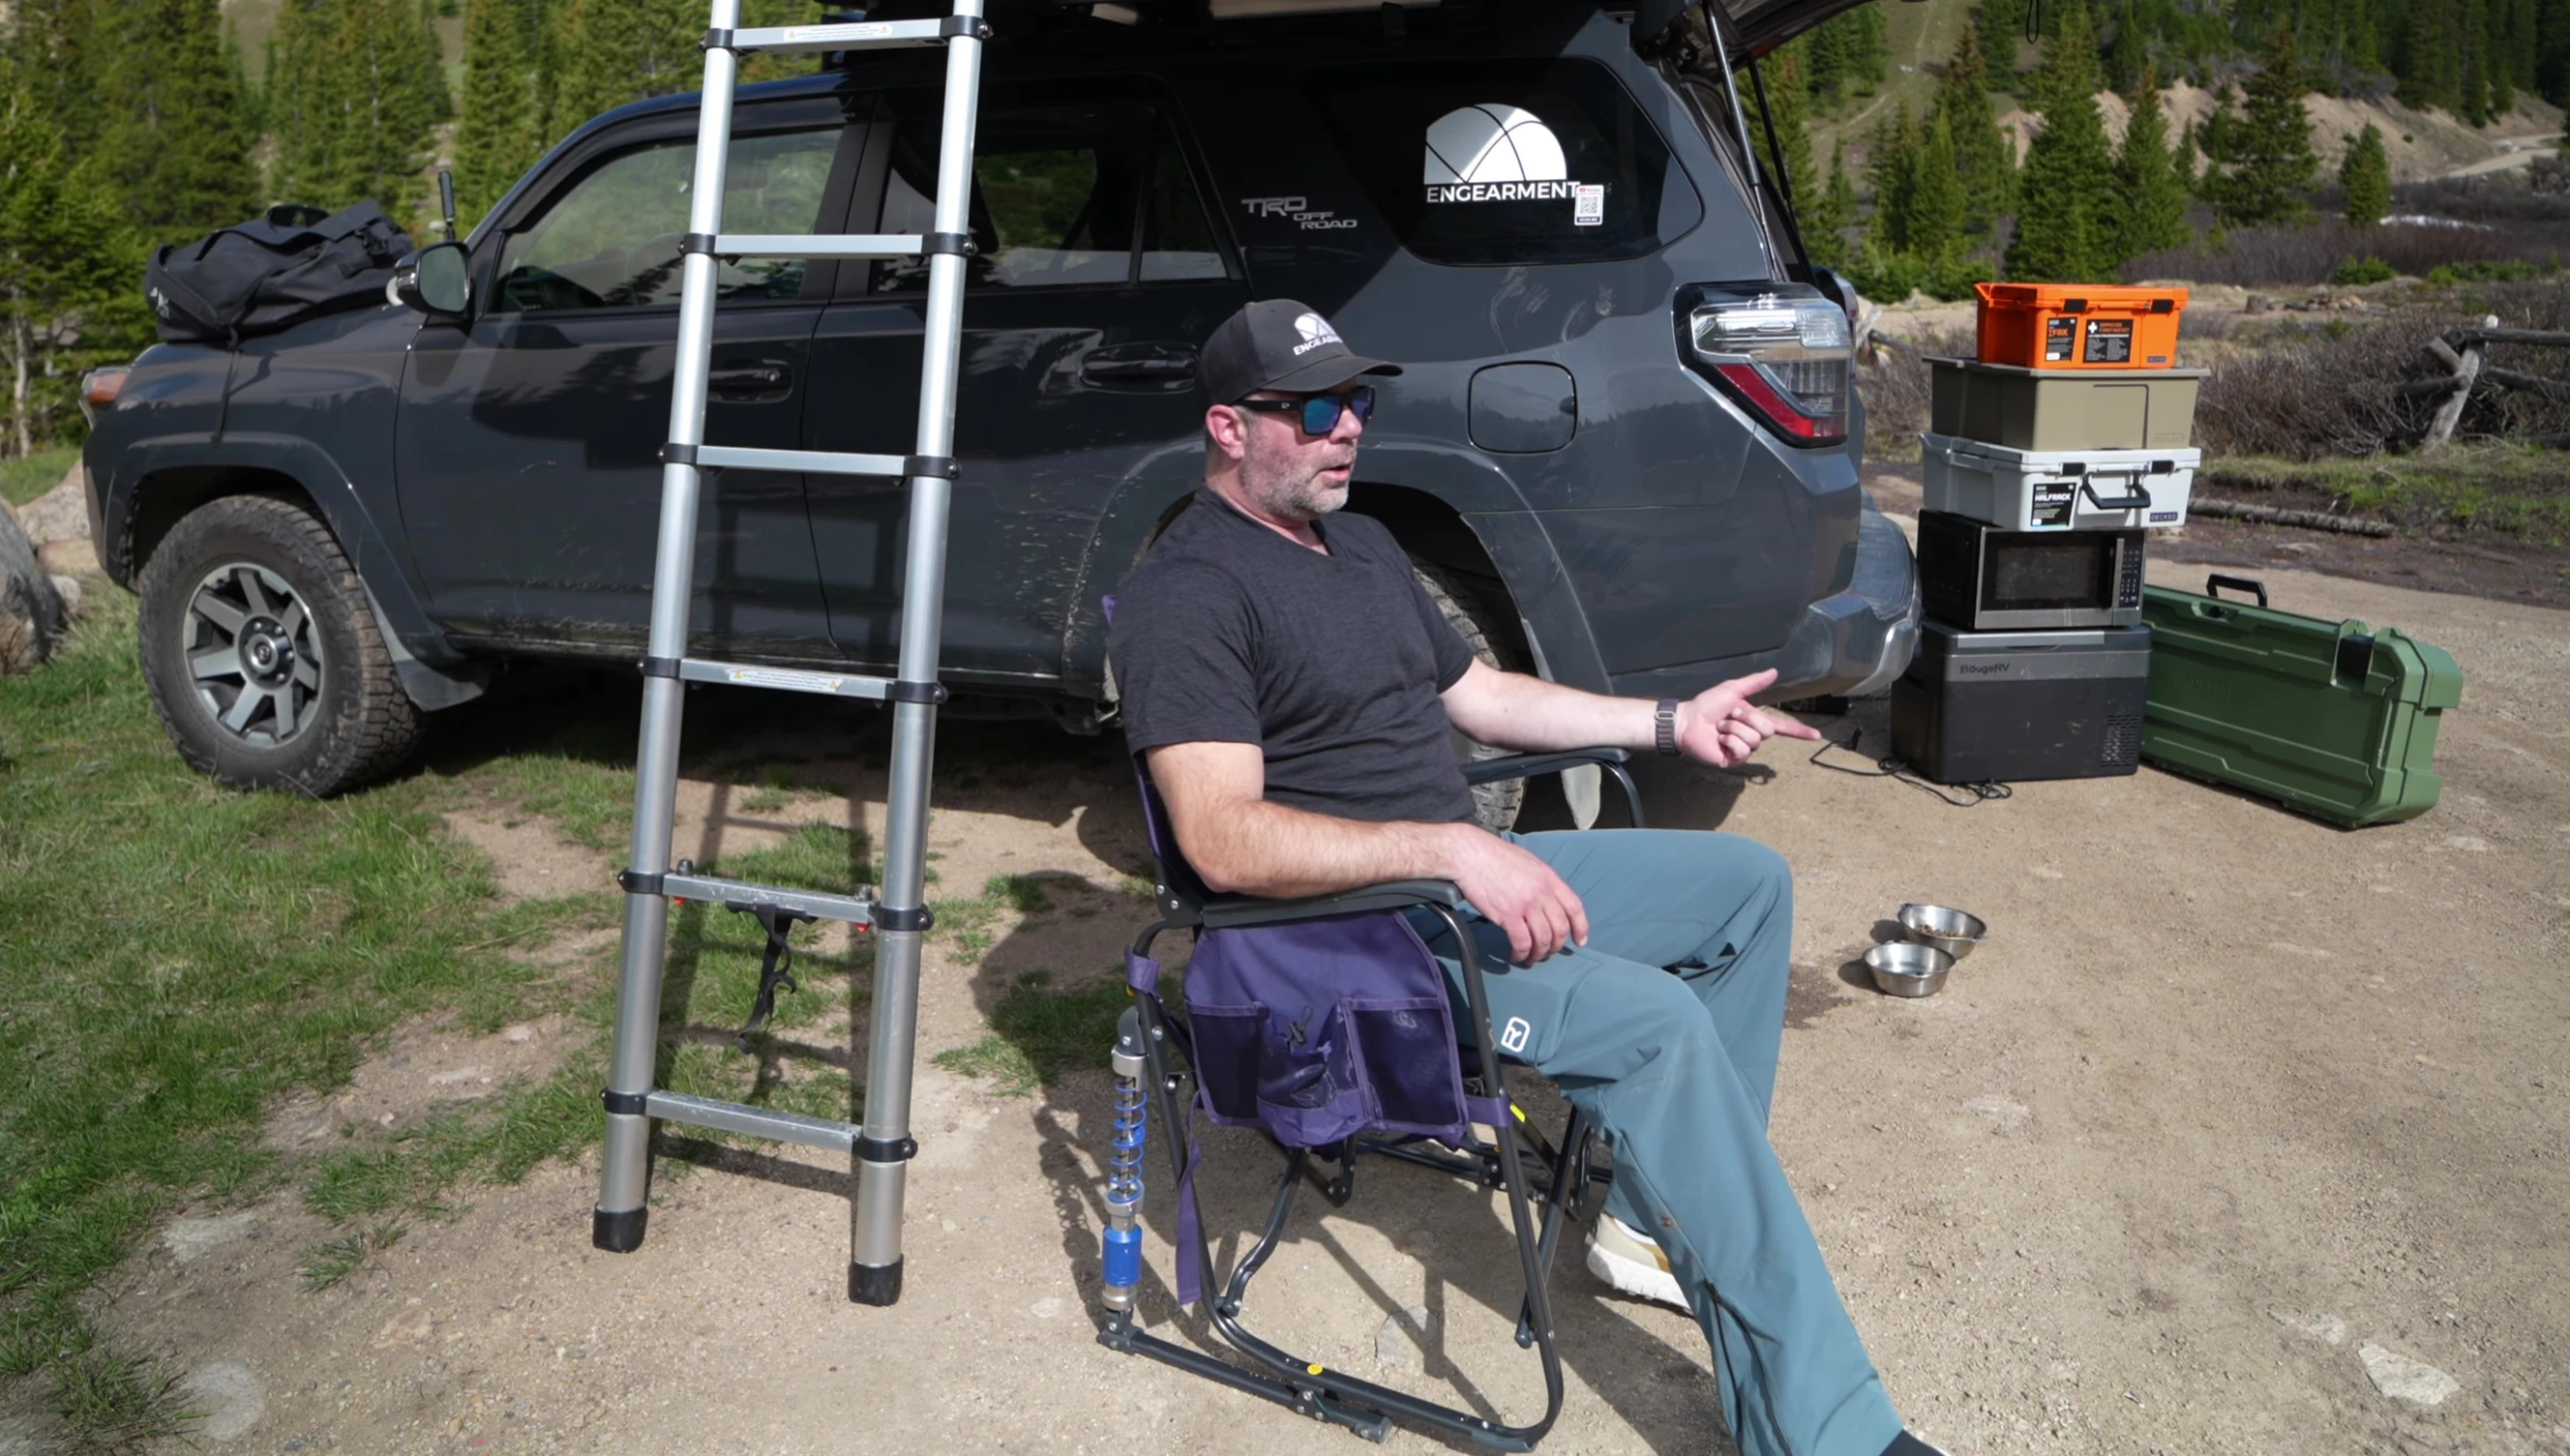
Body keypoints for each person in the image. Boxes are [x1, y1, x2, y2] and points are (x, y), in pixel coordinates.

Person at [1106, 298, 1942, 1456]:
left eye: (1357, 399)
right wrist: (1451, 848)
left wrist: (1670, 720)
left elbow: (1486, 699)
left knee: (1745, 886)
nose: (1347, 427)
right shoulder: (1187, 592)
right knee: (1653, 1023)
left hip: (1450, 881)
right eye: (1311, 406)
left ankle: (1649, 1228)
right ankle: (1830, 1431)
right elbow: (1222, 841)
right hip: (1355, 938)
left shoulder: (1359, 543)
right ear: (1228, 428)